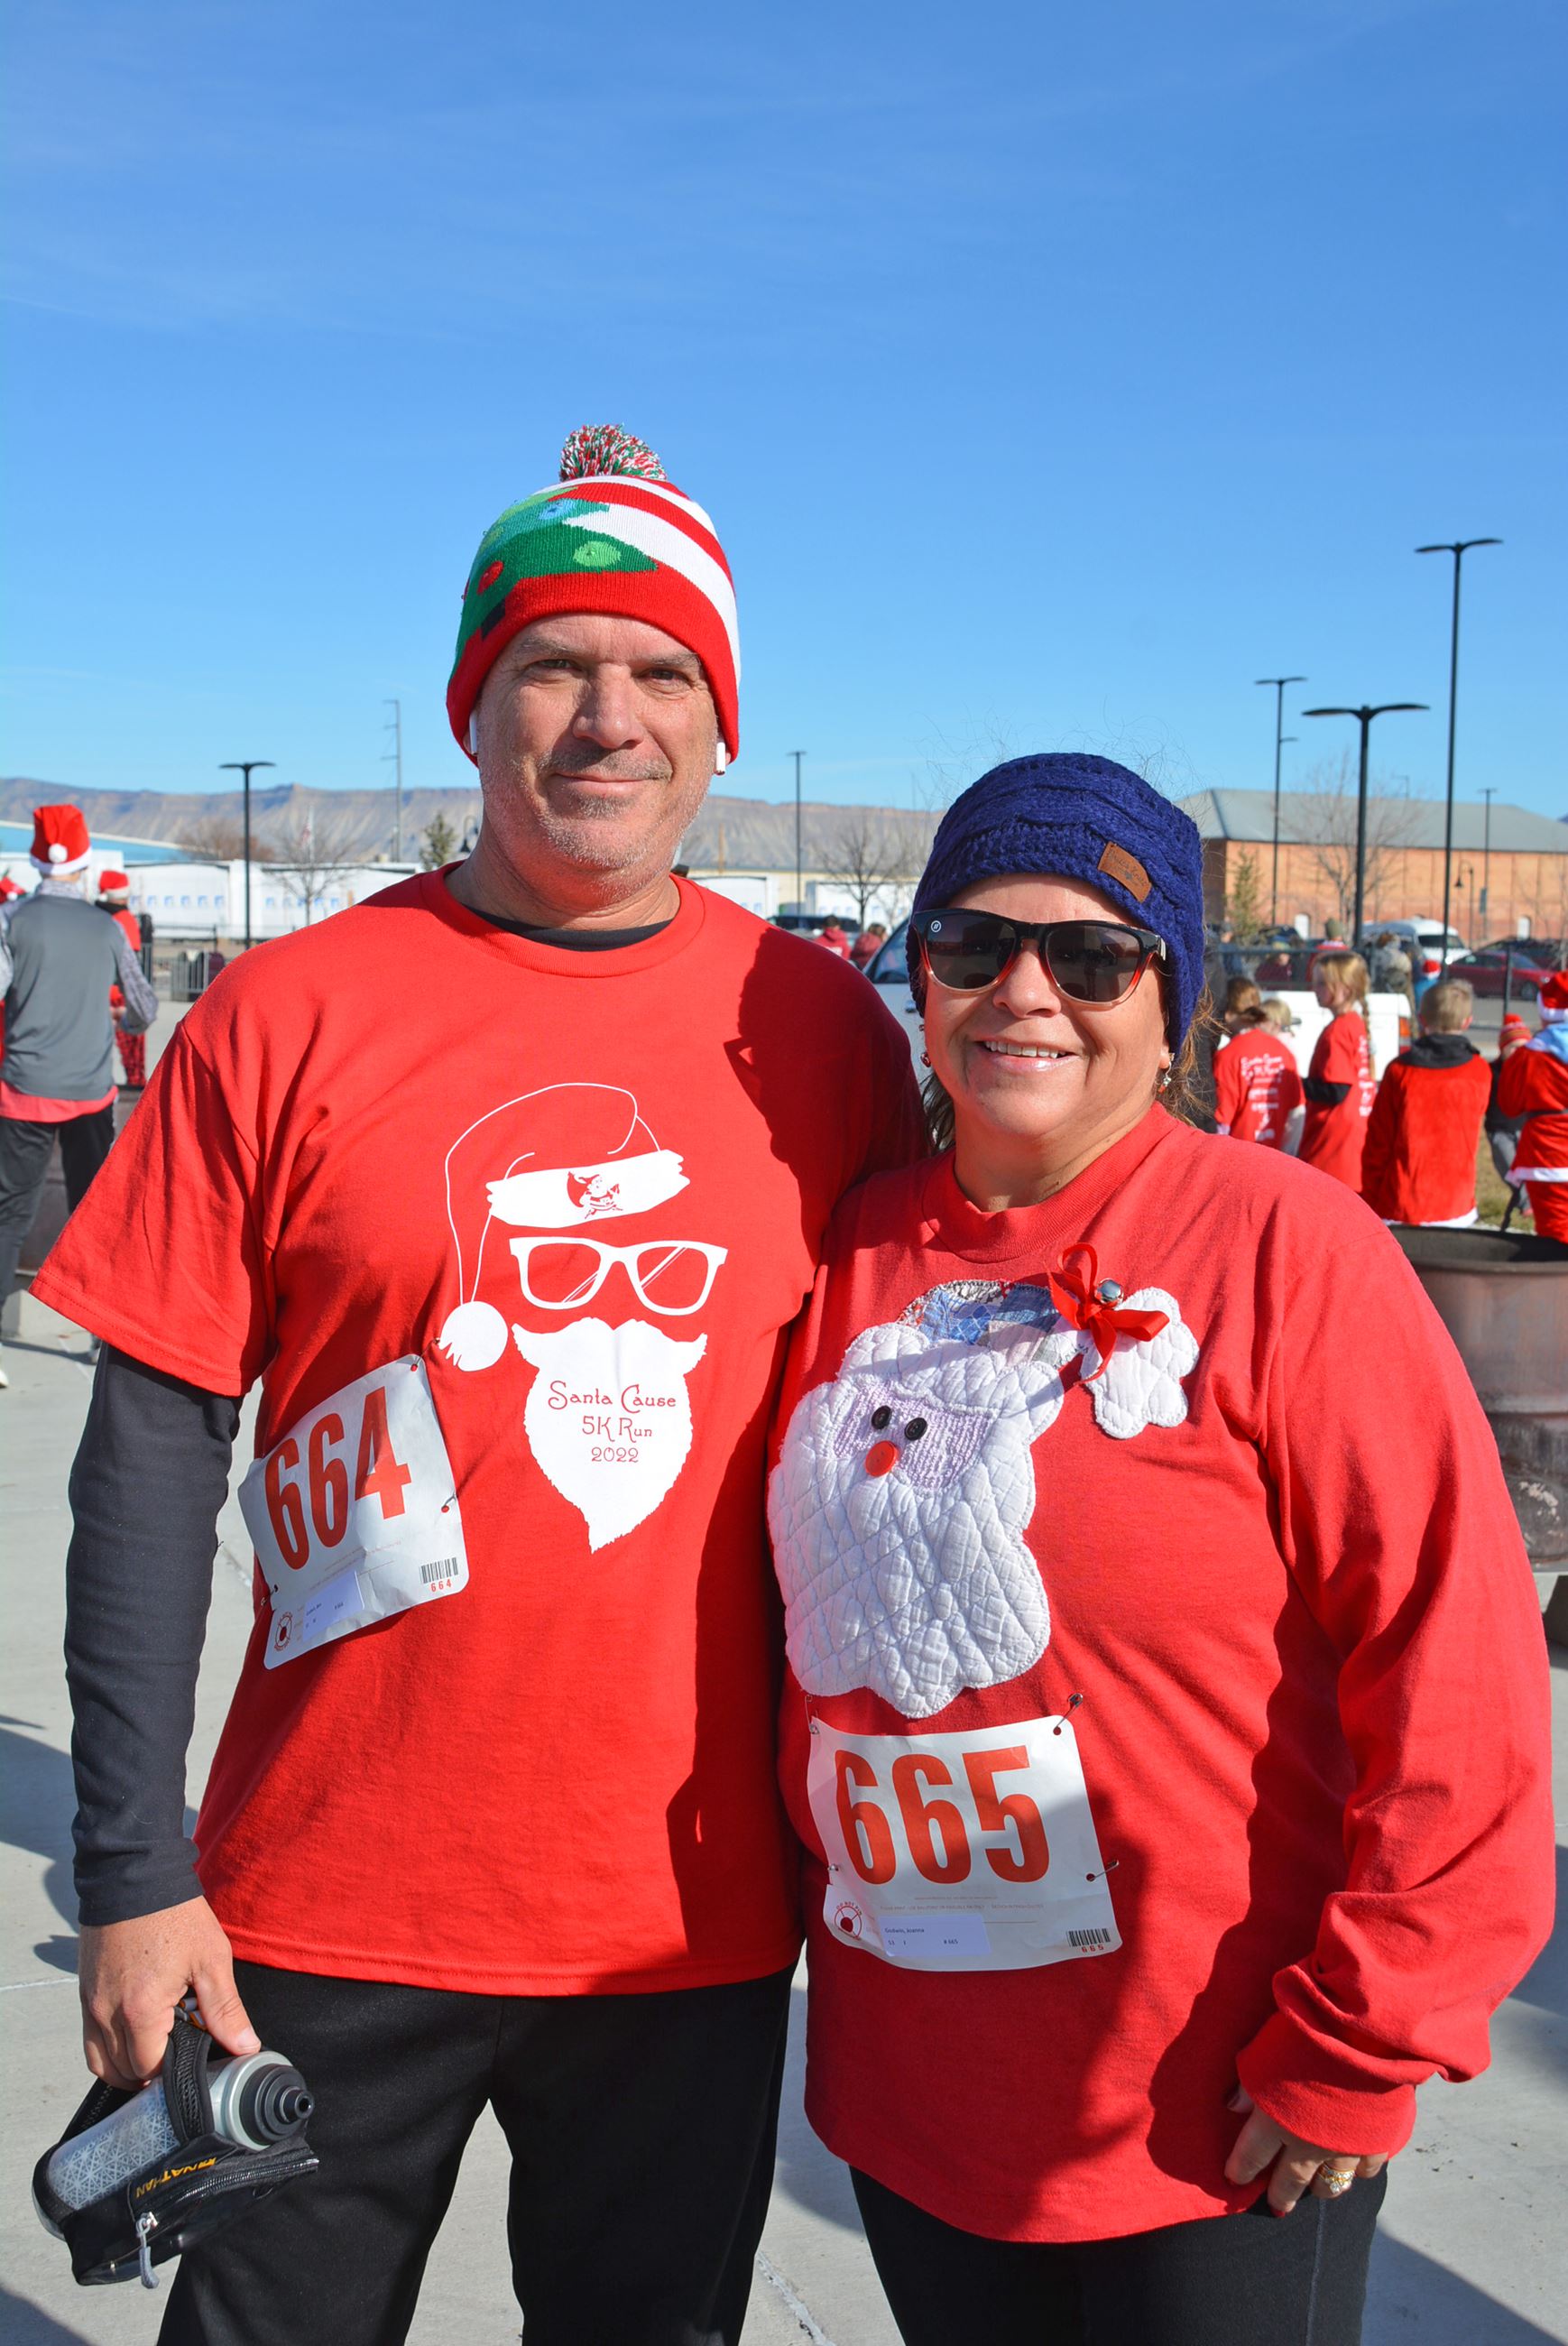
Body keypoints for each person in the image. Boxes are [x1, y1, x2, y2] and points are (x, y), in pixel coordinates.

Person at [32, 424, 924, 2346]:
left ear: (721, 721)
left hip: (685, 1921)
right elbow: (149, 1454)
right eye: (554, 665)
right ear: (472, 706)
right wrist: (130, 1871)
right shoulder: (287, 1011)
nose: (610, 717)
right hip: (318, 1906)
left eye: (661, 669)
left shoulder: (823, 1033)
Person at [764, 753, 1553, 2346]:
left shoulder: (1281, 1245)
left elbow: (1453, 1668)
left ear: (1172, 997)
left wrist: (1366, 2037)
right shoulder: (846, 1245)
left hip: (1212, 2117)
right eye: (972, 944)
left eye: (1091, 955)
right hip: (916, 2096)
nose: (1023, 992)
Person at [0, 807, 156, 1387]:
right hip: (90, 1093)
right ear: (85, 864)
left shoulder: (11, 919)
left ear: (35, 859)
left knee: (9, 1214)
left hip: (22, 1091)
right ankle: (98, 1338)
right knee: (94, 1214)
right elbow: (143, 1008)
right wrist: (118, 1019)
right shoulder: (107, 928)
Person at [1360, 979, 1490, 1229]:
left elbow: (1378, 1141)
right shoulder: (1480, 1070)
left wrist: (1371, 1196)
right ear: (1467, 1022)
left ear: (1421, 1019)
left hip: (1401, 1200)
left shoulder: (1399, 1071)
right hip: (1457, 1200)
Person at [1497, 970, 1568, 1244]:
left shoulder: (1528, 1056)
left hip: (1548, 1157)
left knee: (1555, 1233)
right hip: (1548, 1157)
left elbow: (1509, 1106)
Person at [1297, 951, 1377, 1191]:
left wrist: (1296, 1083)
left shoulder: (1339, 1030)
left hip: (1334, 1136)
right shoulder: (1354, 1023)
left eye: (1322, 983)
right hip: (1352, 1128)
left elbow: (1336, 1090)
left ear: (1346, 989)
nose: (1315, 989)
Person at [1213, 987, 1305, 1152]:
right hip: (1275, 1158)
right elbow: (1297, 1114)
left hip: (1240, 1157)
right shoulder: (1283, 1052)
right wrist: (1288, 1157)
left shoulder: (1227, 1056)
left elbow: (1222, 1124)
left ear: (1228, 1013)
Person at [97, 869, 149, 1090]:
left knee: (114, 1050)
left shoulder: (107, 918)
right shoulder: (122, 919)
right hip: (120, 994)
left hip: (110, 993)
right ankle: (135, 1089)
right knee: (131, 1053)